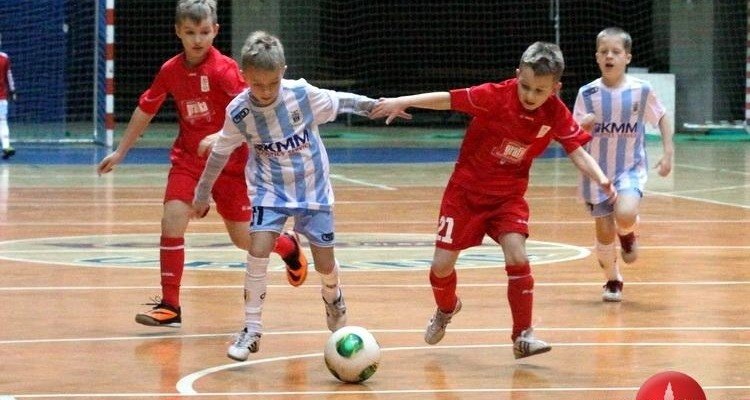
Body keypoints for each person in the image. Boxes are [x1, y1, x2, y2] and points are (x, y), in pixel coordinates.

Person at [370, 41, 617, 359]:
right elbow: (449, 99)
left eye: (539, 91)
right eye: (525, 86)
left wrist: (601, 178)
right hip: (465, 194)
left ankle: (522, 335)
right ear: (517, 75)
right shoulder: (495, 96)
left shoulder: (555, 112)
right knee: (441, 268)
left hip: (508, 198)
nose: (530, 96)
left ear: (555, 89)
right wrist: (403, 101)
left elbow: (577, 151)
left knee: (517, 254)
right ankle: (447, 308)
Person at [97, 0, 307, 328]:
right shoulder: (170, 71)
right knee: (172, 219)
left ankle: (288, 246)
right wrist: (120, 152)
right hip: (189, 160)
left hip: (231, 164)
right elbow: (146, 109)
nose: (198, 39)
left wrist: (223, 136)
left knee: (244, 239)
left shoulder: (224, 70)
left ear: (215, 31)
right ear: (178, 32)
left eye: (205, 32)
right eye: (191, 32)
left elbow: (252, 110)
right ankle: (170, 305)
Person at [192, 30, 376, 362]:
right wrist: (203, 192)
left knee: (324, 263)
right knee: (258, 248)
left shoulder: (302, 95)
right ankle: (251, 329)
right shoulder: (239, 111)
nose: (265, 91)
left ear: (283, 72)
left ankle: (332, 295)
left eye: (272, 83)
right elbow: (220, 152)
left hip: (312, 188)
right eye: (257, 84)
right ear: (244, 76)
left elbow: (344, 101)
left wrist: (378, 106)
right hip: (269, 190)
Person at [574, 27, 673, 302]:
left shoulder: (641, 90)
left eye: (616, 52)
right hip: (596, 173)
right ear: (597, 57)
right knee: (604, 234)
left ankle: (627, 233)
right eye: (604, 51)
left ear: (627, 57)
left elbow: (662, 116)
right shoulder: (587, 93)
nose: (609, 56)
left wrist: (668, 152)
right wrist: (582, 127)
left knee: (626, 213)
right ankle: (613, 279)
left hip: (630, 168)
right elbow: (572, 132)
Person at [0, 37, 17, 160]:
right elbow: (9, 76)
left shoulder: (5, 58)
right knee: (2, 121)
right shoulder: (5, 57)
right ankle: (6, 146)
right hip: (1, 98)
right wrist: (13, 91)